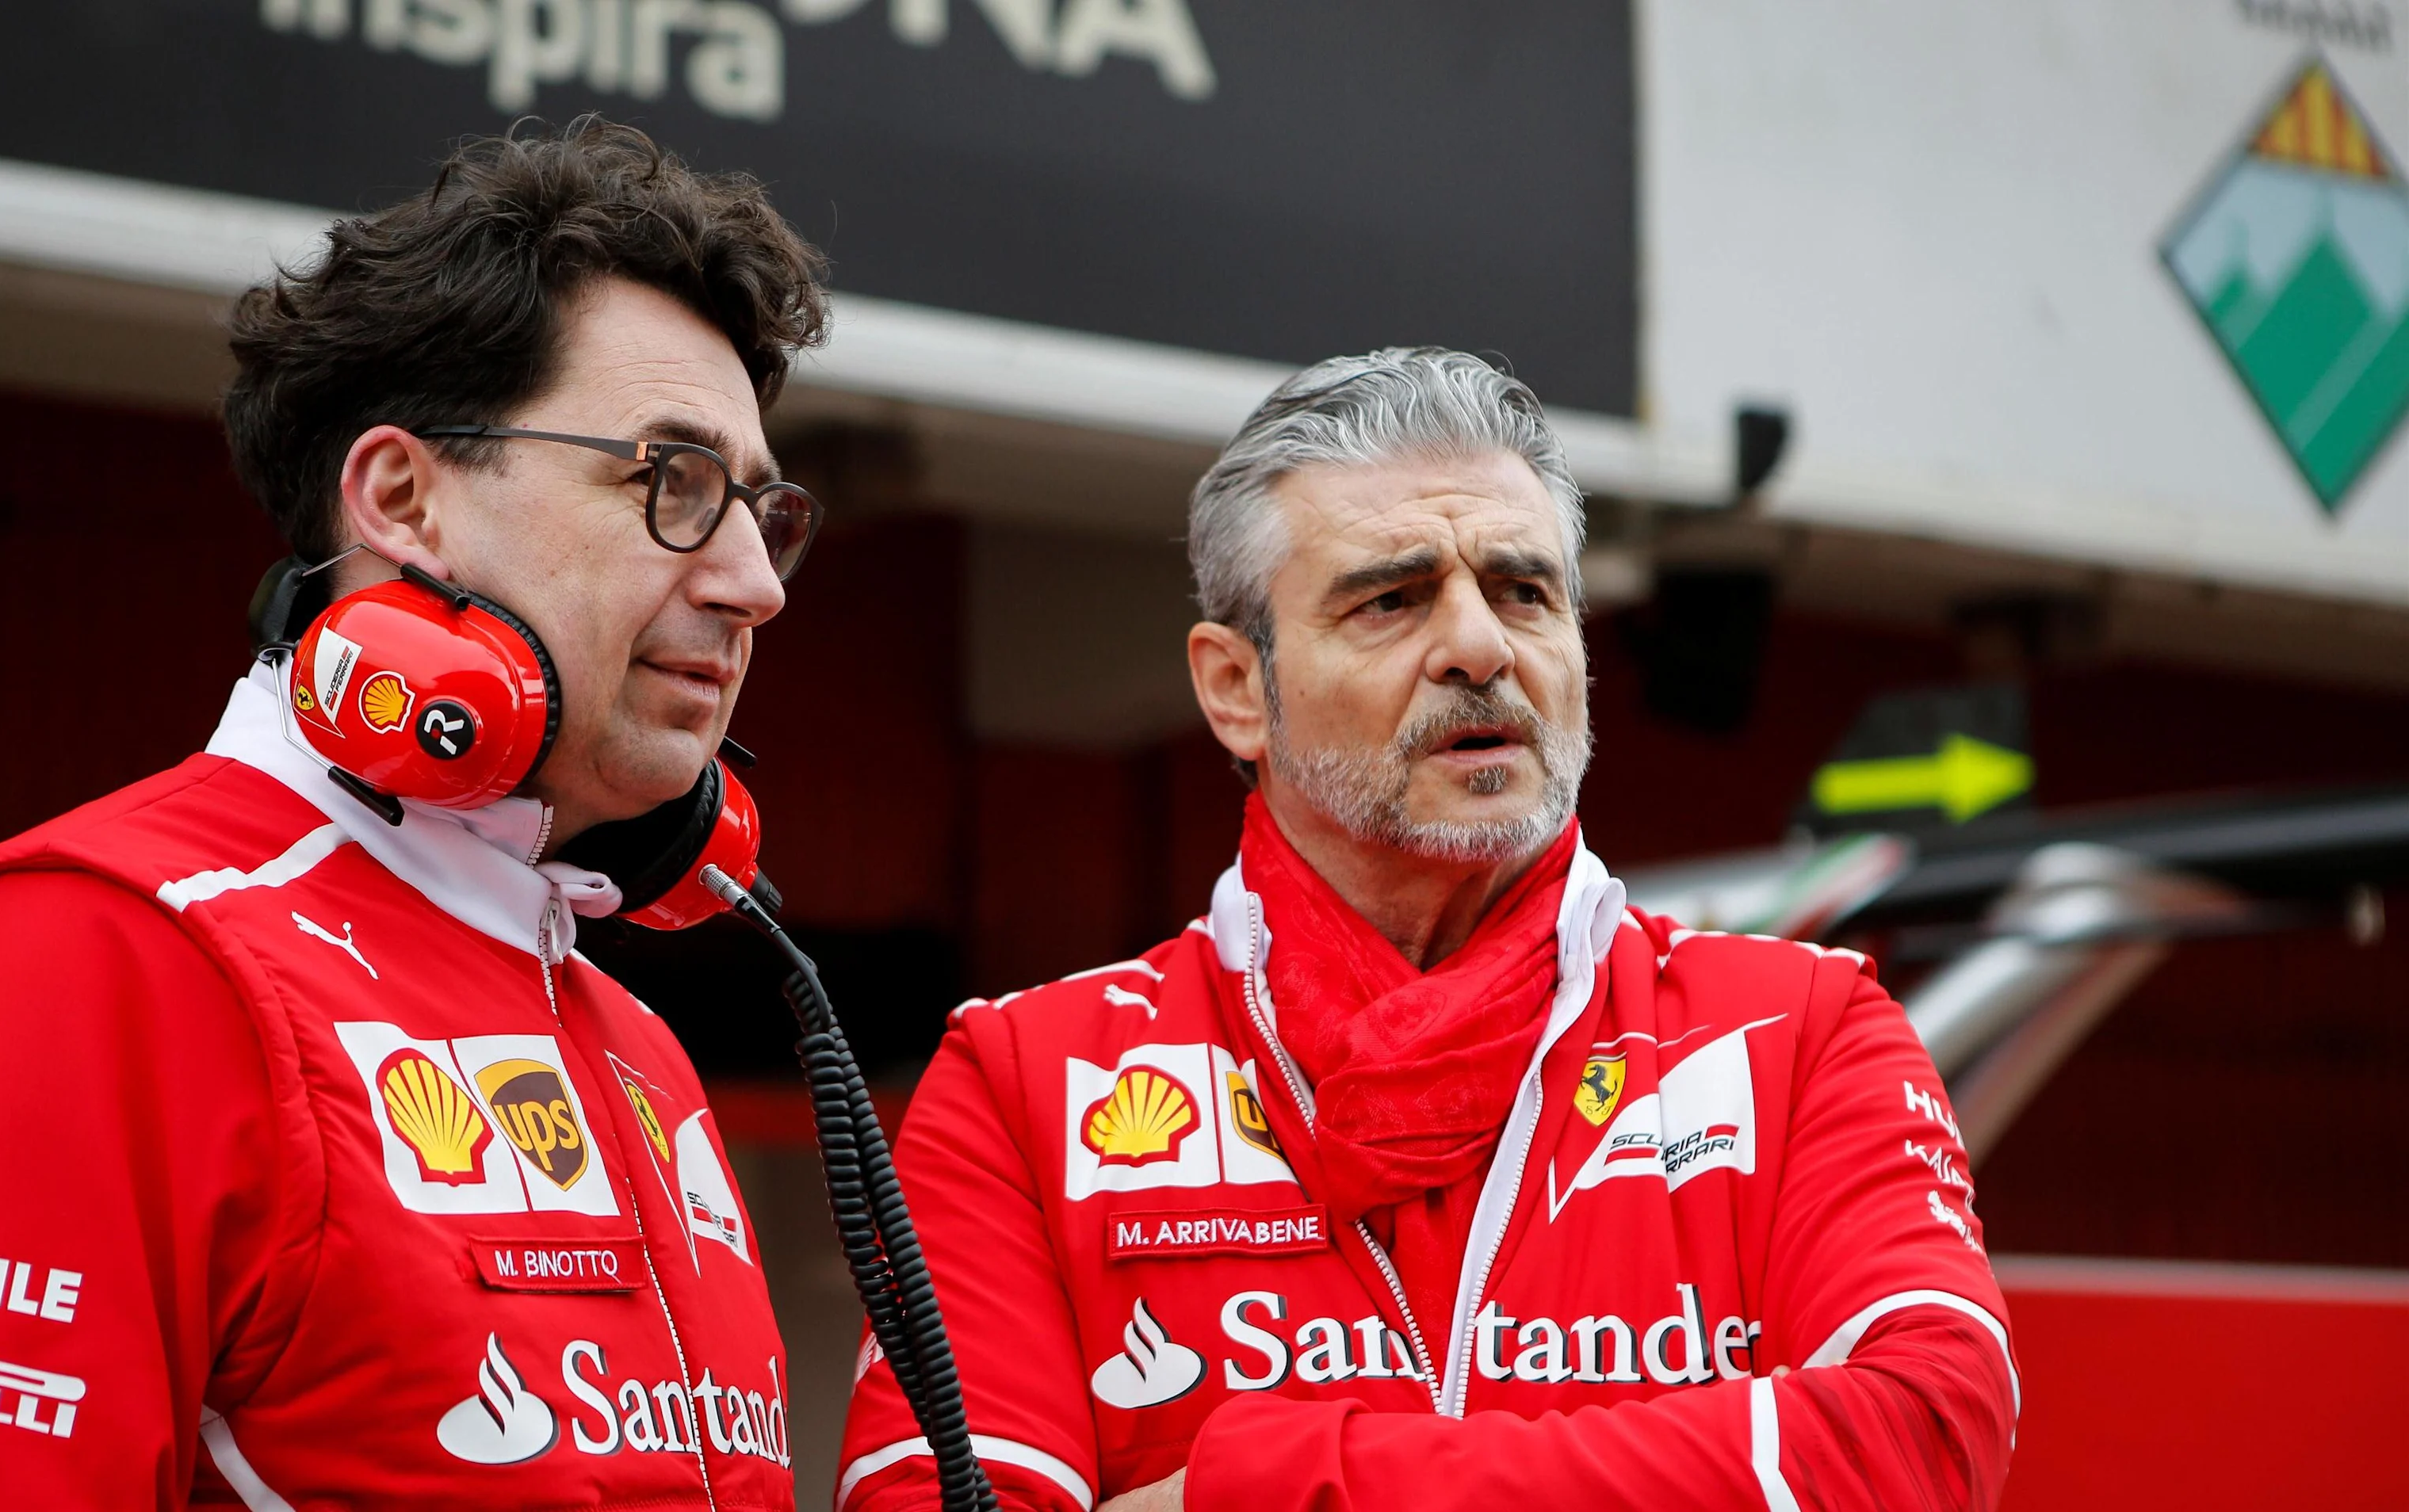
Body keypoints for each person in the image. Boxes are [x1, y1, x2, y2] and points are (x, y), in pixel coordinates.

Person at [0, 121, 828, 1507]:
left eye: (763, 509)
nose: (755, 582)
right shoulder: (93, 953)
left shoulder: (632, 1037)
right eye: (675, 484)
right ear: (402, 497)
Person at [835, 349, 2016, 1512]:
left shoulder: (1802, 1032)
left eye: (1524, 591)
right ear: (1237, 689)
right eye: (1392, 599)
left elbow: (1919, 1441)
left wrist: (1263, 1487)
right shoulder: (1028, 1085)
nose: (1480, 649)